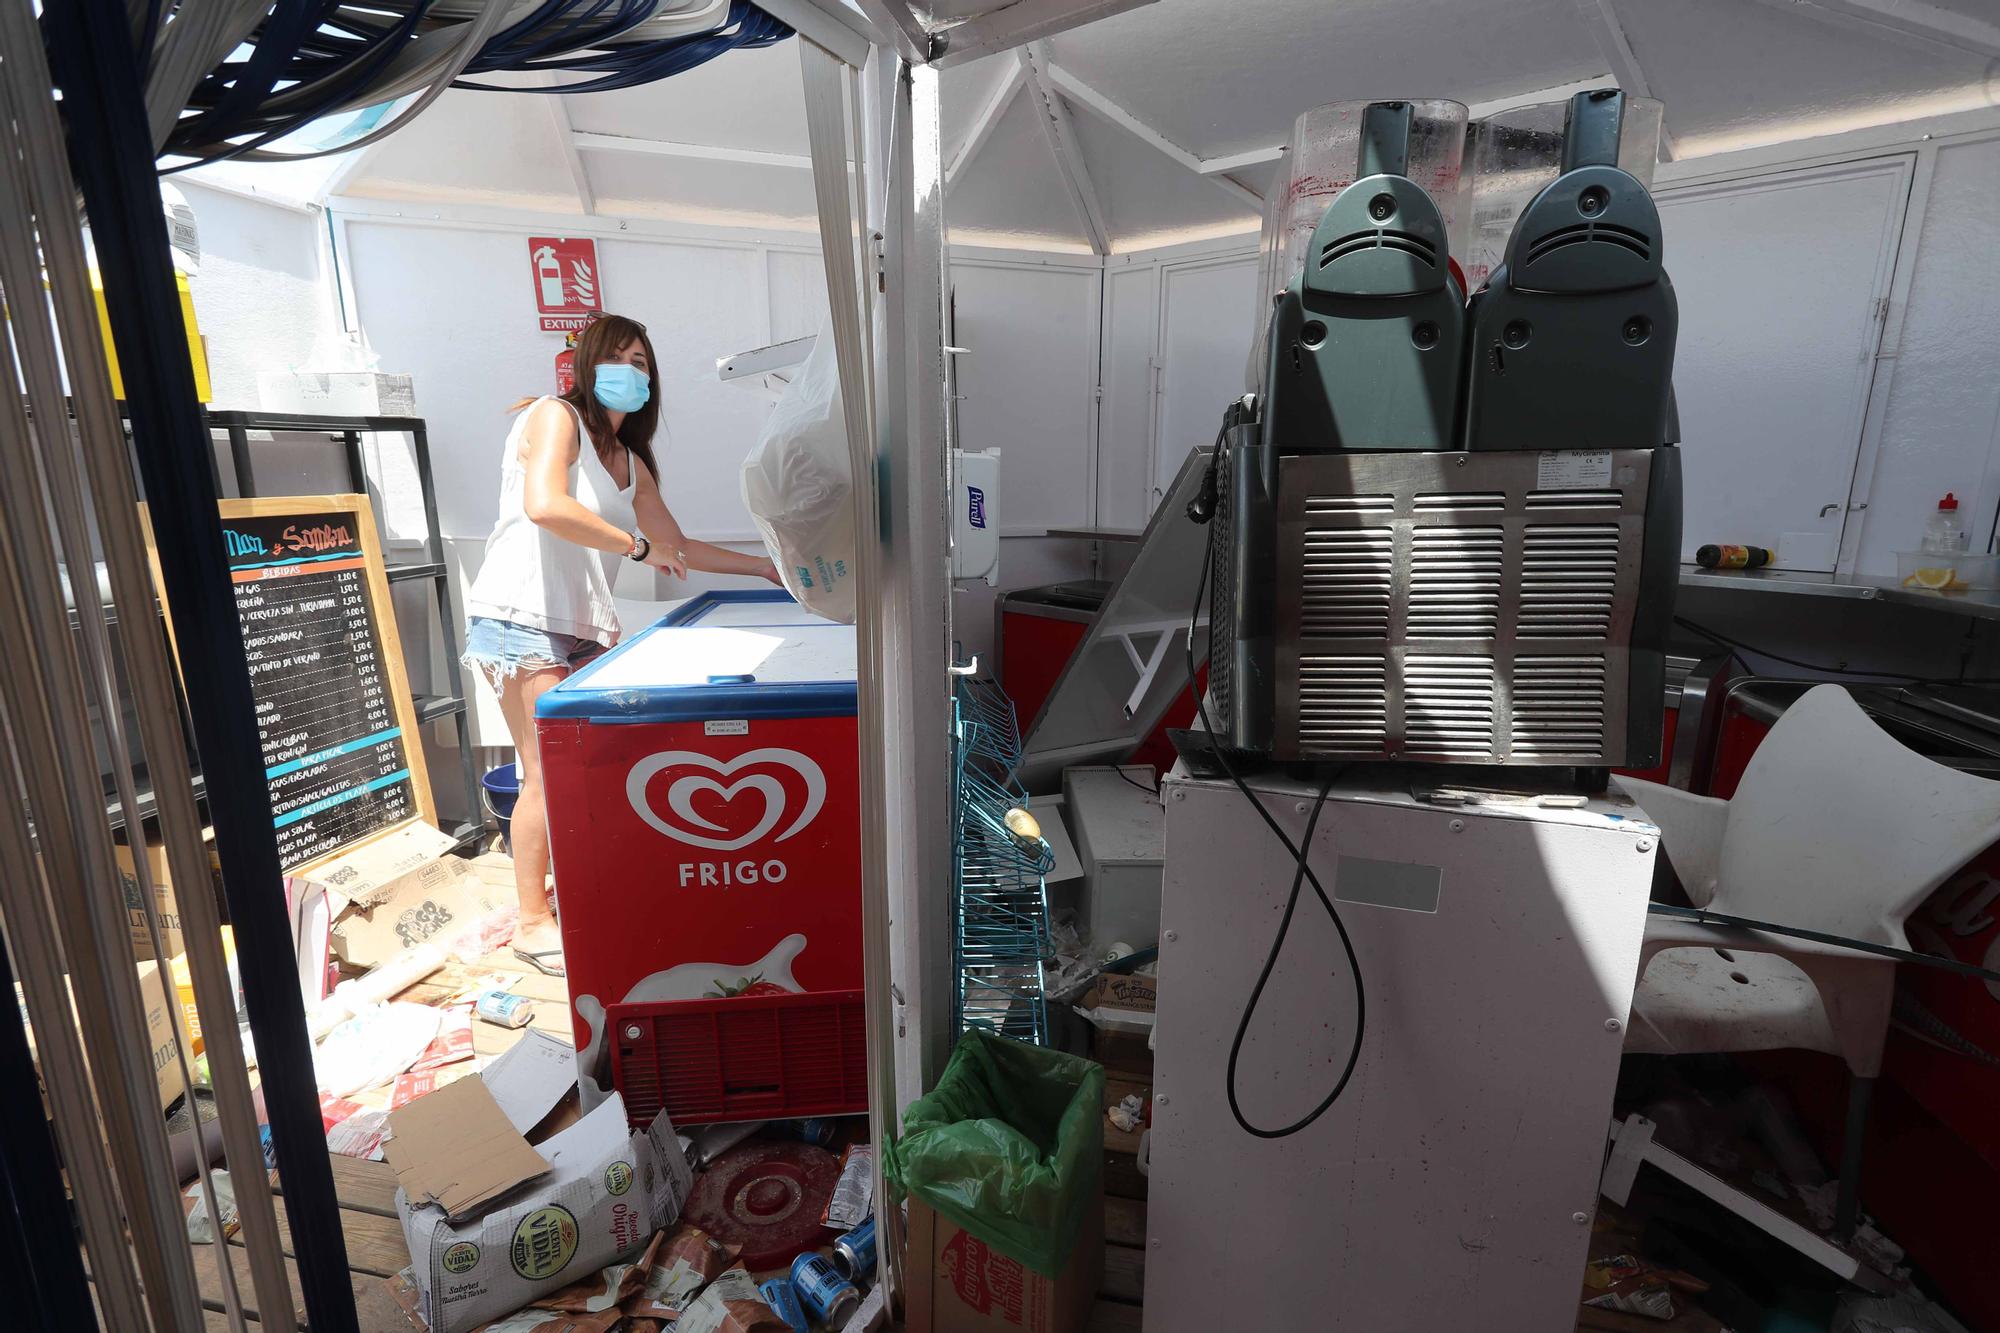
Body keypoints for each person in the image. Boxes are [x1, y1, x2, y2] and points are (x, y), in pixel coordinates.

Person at [463, 313, 777, 976]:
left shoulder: (629, 462)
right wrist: (635, 546)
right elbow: (545, 503)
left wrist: (765, 567)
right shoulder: (555, 417)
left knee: (586, 770)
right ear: (587, 365)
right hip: (522, 615)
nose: (631, 373)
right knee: (544, 772)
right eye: (620, 358)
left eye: (642, 364)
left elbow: (679, 546)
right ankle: (531, 921)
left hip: (581, 627)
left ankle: (576, 899)